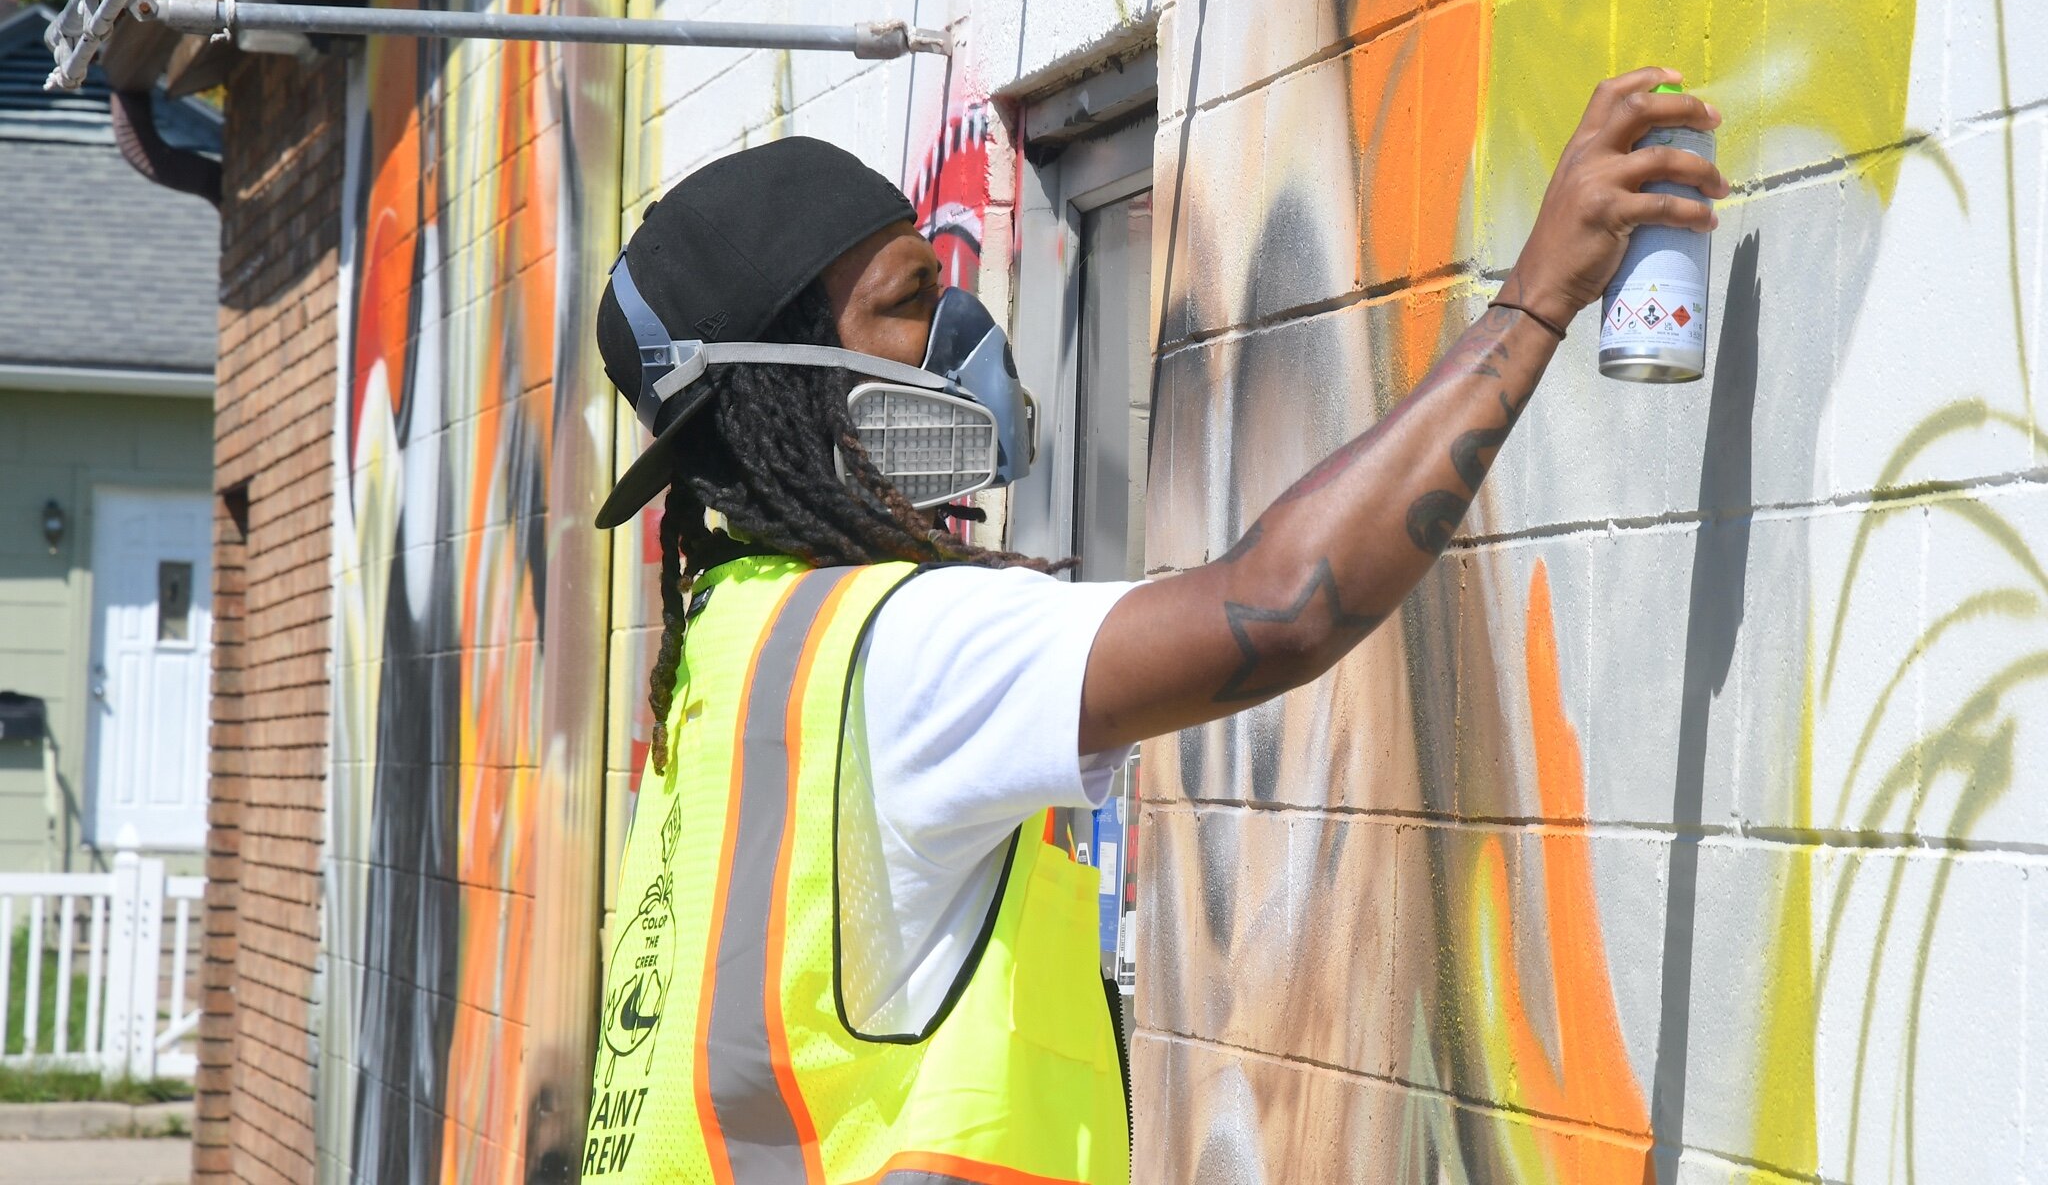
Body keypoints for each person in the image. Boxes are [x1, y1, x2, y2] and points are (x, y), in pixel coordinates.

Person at [579, 68, 1725, 1182]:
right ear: (788, 382)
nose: (961, 330)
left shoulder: (730, 636)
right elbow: (1276, 607)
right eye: (909, 299)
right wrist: (1531, 305)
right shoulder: (906, 650)